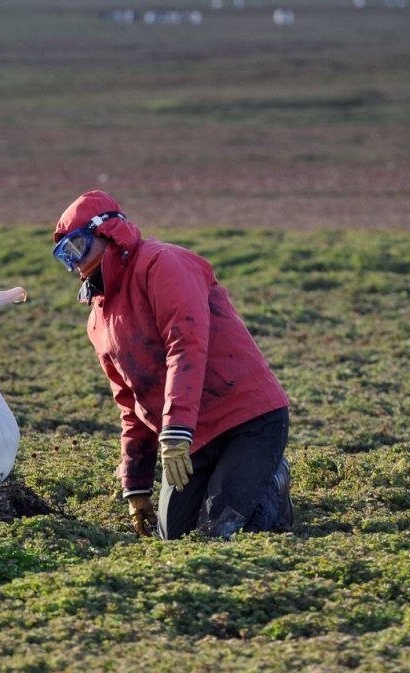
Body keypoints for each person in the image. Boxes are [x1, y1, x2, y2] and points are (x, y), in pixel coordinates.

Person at [52, 190, 293, 540]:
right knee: (174, 538)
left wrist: (176, 432)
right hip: (190, 436)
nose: (74, 263)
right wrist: (135, 486)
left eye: (77, 247)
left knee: (220, 534)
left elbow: (187, 345)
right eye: (65, 256)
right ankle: (235, 482)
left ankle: (272, 480)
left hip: (246, 418)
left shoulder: (162, 262)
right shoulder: (97, 320)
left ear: (107, 232)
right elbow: (129, 403)